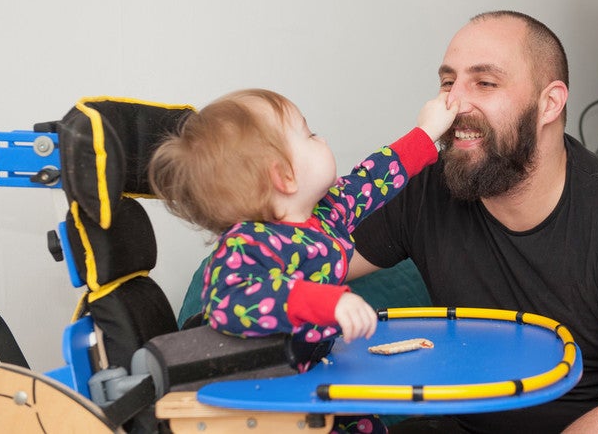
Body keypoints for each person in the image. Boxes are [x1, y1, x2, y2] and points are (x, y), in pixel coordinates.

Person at [349, 11, 598, 433]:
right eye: (448, 81)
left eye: (485, 82)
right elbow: (303, 260)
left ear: (549, 103)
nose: (452, 103)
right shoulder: (426, 190)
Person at [148, 88, 457, 433]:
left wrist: (426, 133)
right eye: (309, 134)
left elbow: (374, 178)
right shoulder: (248, 243)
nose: (320, 137)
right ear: (284, 176)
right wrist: (325, 302)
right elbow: (231, 299)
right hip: (269, 398)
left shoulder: (327, 214)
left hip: (317, 378)